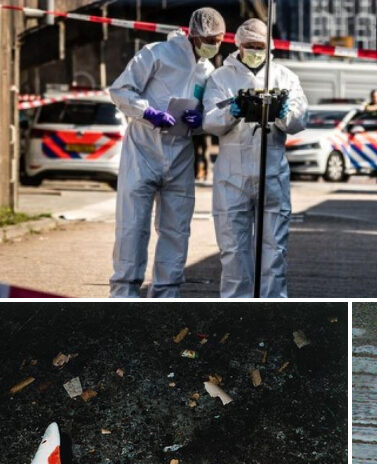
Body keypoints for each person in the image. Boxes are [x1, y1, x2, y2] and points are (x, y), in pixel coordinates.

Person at [108, 8, 225, 297]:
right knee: (132, 226)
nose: (214, 45)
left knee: (176, 230)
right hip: (143, 151)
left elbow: (206, 112)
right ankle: (124, 293)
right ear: (194, 34)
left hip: (180, 154)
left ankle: (166, 295)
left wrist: (200, 122)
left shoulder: (207, 71)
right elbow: (120, 90)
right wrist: (148, 112)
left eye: (220, 40)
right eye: (210, 39)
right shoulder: (156, 54)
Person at [203, 18, 308, 298]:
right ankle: (237, 313)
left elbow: (300, 120)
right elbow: (209, 122)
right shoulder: (221, 78)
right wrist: (233, 110)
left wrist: (283, 112)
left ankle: (273, 310)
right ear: (237, 44)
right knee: (233, 252)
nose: (254, 50)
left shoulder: (284, 77)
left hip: (272, 173)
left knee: (274, 252)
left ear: (269, 46)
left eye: (259, 46)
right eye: (249, 46)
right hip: (231, 177)